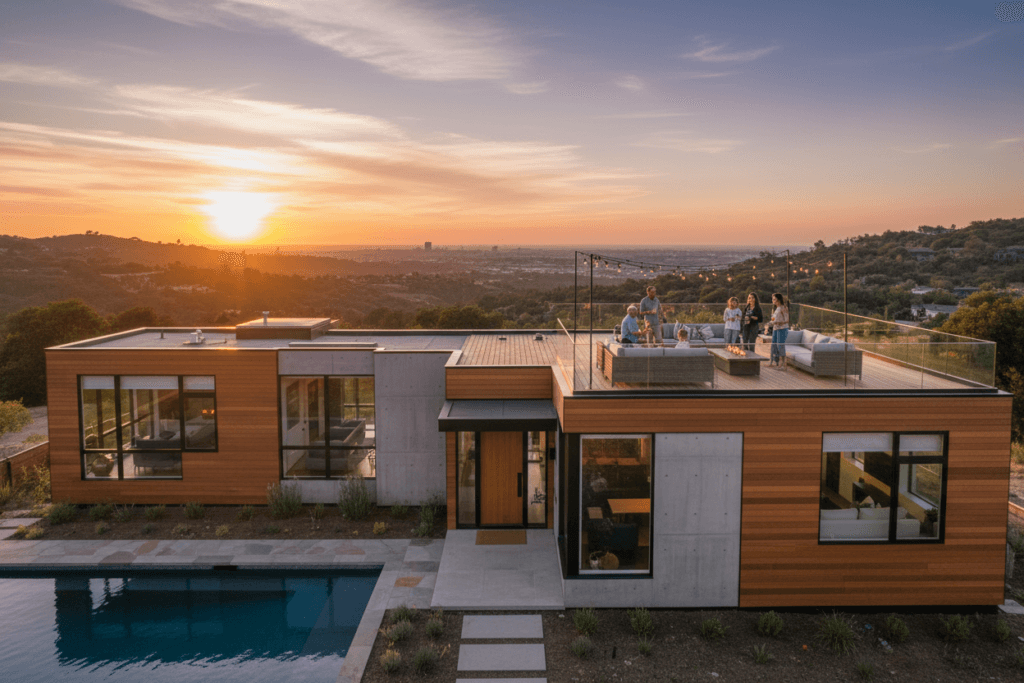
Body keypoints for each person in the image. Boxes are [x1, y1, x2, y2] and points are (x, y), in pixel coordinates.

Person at [769, 292, 790, 368]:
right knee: (774, 345)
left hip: (782, 329)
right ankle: (774, 362)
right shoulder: (775, 309)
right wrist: (770, 323)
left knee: (780, 345)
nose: (773, 301)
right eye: (772, 299)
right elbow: (773, 319)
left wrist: (778, 322)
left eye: (774, 299)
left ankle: (783, 364)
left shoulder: (783, 308)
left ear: (778, 299)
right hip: (775, 328)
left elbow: (787, 320)